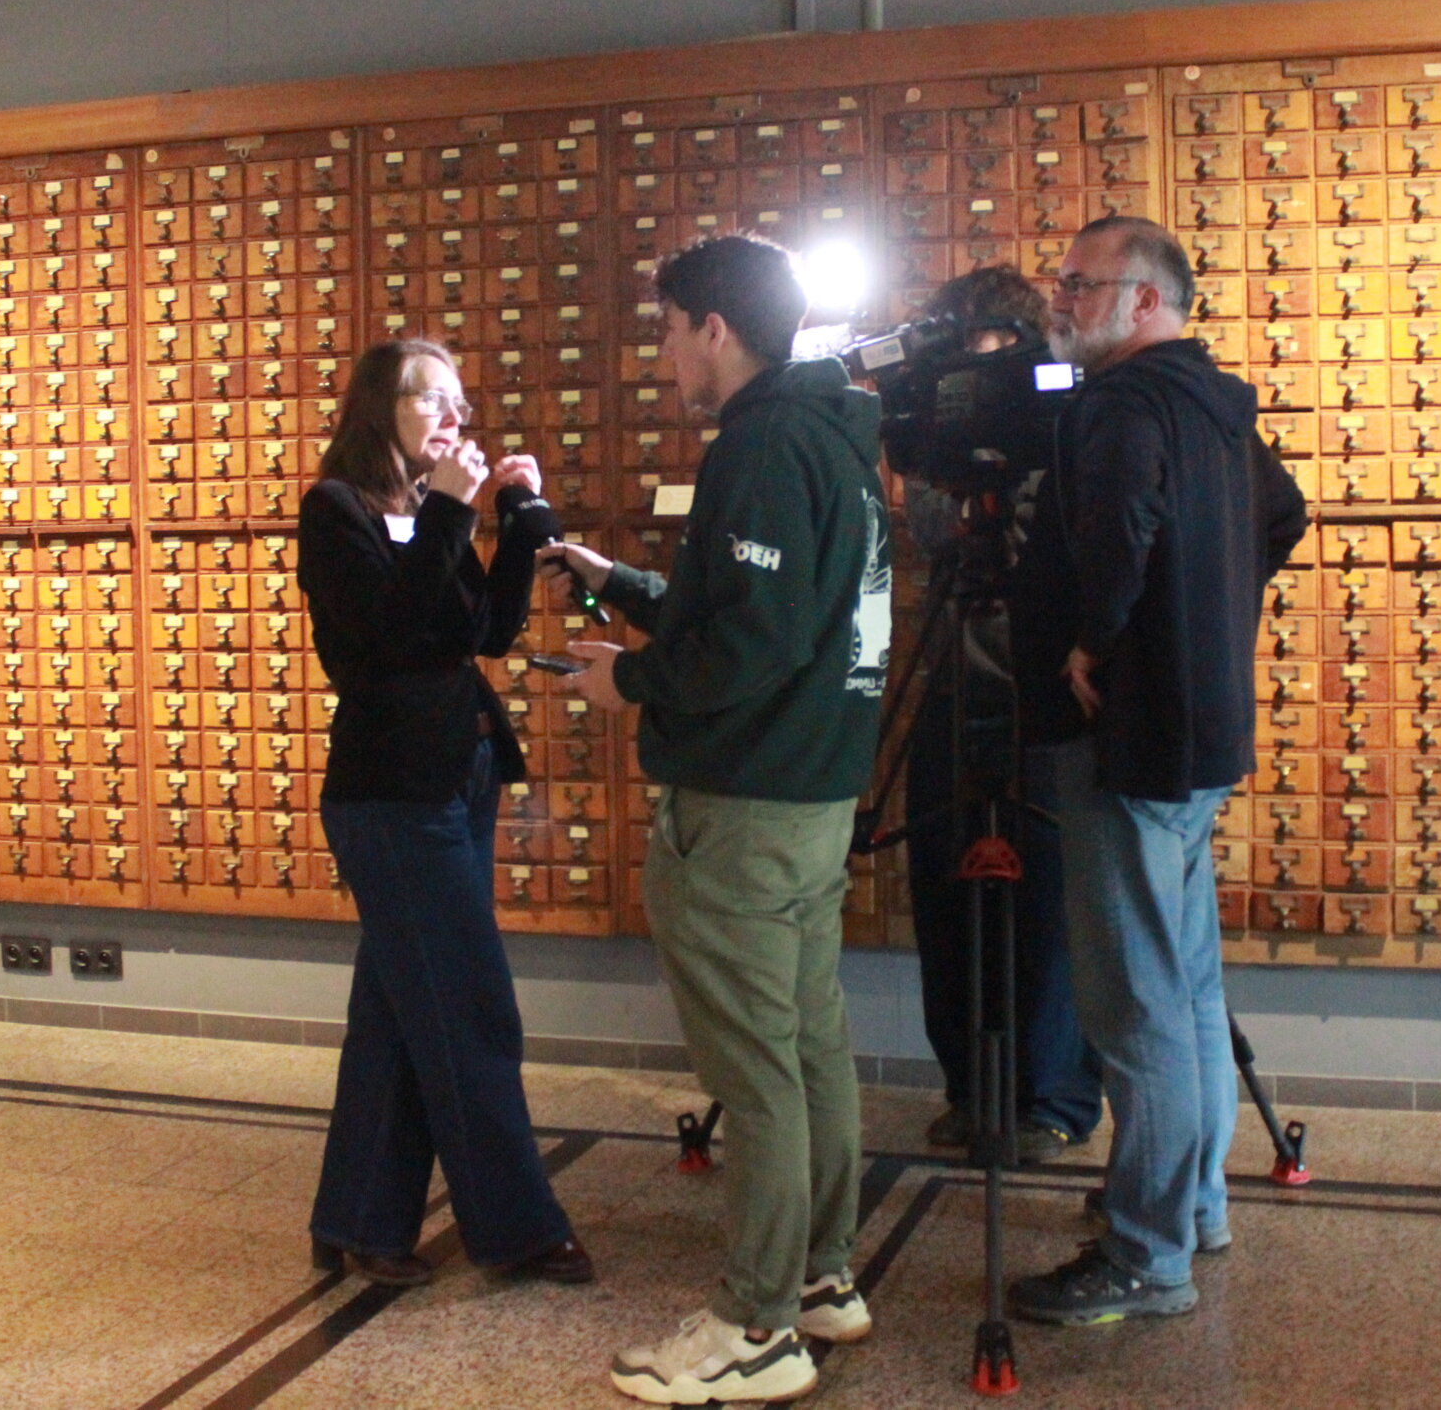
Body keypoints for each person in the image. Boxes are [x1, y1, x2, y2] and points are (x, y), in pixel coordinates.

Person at [546, 234, 889, 1404]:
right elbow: (786, 612)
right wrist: (626, 585)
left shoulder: (758, 443)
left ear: (712, 329)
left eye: (666, 330)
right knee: (806, 1044)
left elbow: (754, 640)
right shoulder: (835, 437)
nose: (663, 356)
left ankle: (754, 1325)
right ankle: (821, 1277)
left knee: (755, 1069)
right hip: (813, 790)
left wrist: (630, 683)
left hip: (743, 801)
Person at [1006, 214, 1307, 1326]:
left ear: (1144, 300)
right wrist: (1204, 611)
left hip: (1127, 741)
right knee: (1185, 989)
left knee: (1136, 1006)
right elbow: (1285, 515)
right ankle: (1194, 1208)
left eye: (1079, 285)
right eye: (1060, 283)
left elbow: (1123, 521)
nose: (1060, 302)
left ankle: (1146, 1254)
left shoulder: (1123, 403)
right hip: (1199, 733)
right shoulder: (1214, 402)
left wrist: (1099, 638)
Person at [295, 338, 593, 1289]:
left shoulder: (430, 510)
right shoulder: (336, 510)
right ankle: (515, 1226)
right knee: (470, 1007)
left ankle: (357, 1219)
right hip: (392, 790)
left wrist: (510, 524)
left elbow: (484, 633)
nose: (455, 415)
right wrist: (454, 515)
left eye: (460, 400)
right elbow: (384, 639)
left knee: (398, 1008)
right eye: (432, 398)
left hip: (460, 774)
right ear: (380, 408)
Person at [894, 266, 1104, 1163]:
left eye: (978, 344)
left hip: (1044, 681)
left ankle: (1052, 1095)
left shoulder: (1068, 418)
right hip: (956, 672)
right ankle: (970, 1087)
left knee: (1050, 895)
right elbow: (934, 529)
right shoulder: (942, 427)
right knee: (946, 880)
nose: (964, 366)